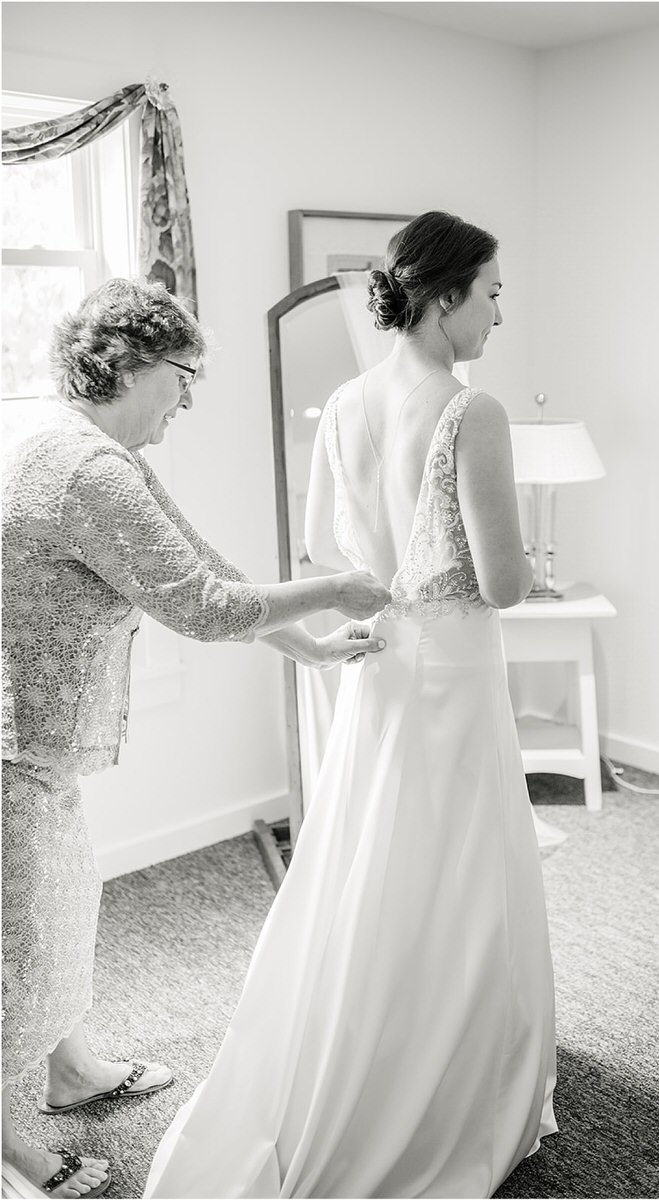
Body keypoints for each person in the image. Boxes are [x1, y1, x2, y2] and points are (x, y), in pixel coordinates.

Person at [145, 212, 557, 1199]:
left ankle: (363, 1053)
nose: (500, 312)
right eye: (492, 291)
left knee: (374, 867)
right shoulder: (474, 411)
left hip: (378, 668)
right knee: (459, 876)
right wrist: (536, 567)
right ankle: (452, 1075)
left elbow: (317, 558)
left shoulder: (343, 403)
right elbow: (499, 584)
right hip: (453, 676)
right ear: (445, 296)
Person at [1, 278, 390, 1200]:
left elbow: (205, 569)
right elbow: (206, 609)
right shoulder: (87, 473)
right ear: (131, 365)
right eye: (184, 378)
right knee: (22, 948)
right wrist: (337, 589)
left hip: (39, 742)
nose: (186, 403)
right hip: (12, 743)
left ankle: (72, 1069)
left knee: (58, 910)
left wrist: (310, 649)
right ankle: (18, 1151)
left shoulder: (98, 456)